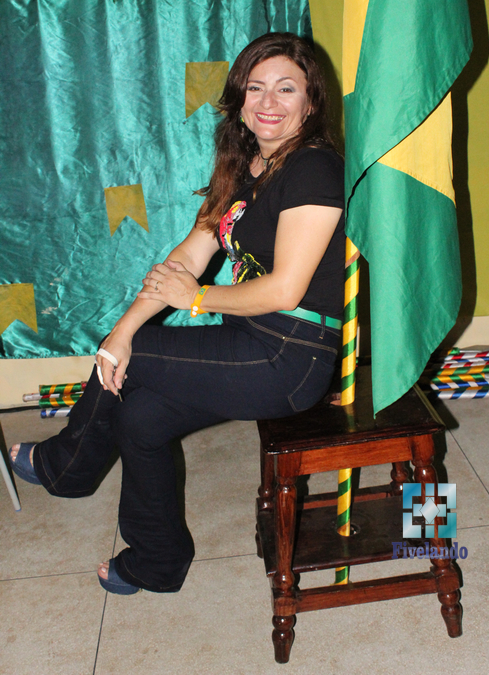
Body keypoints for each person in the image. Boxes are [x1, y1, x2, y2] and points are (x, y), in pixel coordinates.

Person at [10, 32, 345, 595]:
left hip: (290, 357)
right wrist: (119, 332)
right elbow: (187, 258)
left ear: (311, 101)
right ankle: (159, 561)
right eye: (255, 88)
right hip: (250, 343)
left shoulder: (314, 169)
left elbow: (285, 290)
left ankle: (65, 466)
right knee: (140, 419)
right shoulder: (247, 166)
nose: (268, 102)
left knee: (138, 358)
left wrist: (193, 299)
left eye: (286, 89)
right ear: (239, 99)